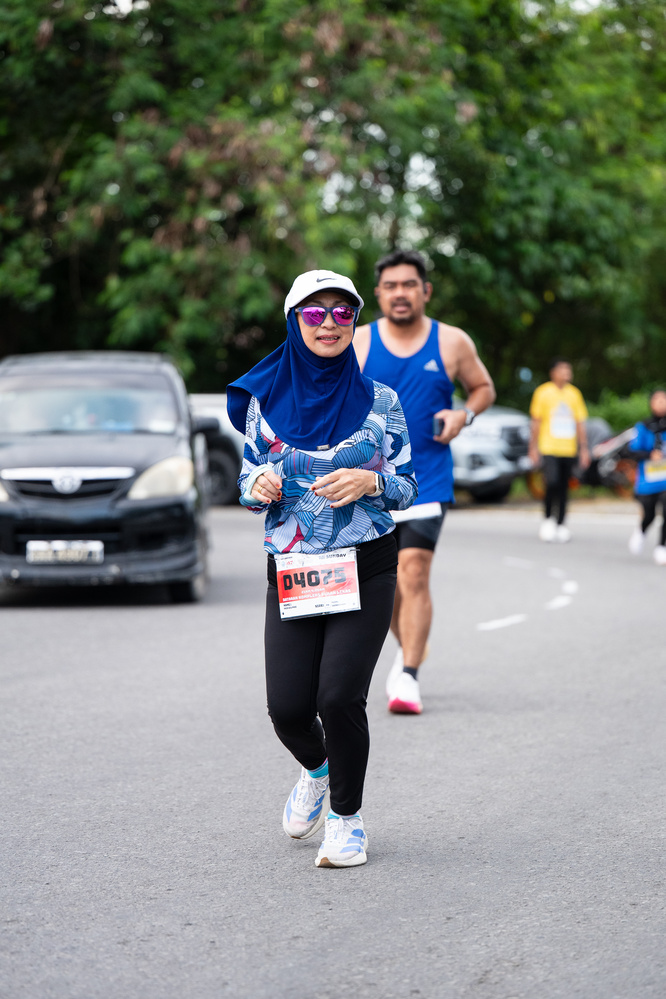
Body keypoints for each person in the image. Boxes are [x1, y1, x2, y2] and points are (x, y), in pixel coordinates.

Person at [227, 269, 417, 869]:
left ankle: (346, 820)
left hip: (366, 564)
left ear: (354, 322)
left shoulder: (381, 401)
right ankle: (318, 769)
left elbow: (408, 485)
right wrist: (257, 485)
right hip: (293, 568)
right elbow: (245, 480)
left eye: (342, 313)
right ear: (294, 322)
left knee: (338, 697)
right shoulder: (264, 401)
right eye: (315, 313)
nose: (329, 324)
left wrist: (371, 482)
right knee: (287, 709)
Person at [354, 249, 495, 715]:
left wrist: (463, 414)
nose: (400, 293)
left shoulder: (452, 341)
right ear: (378, 294)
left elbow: (483, 388)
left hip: (427, 478)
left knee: (413, 570)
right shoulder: (357, 342)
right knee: (384, 586)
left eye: (409, 284)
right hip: (369, 484)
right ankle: (411, 645)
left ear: (425, 291)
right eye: (391, 286)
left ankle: (409, 677)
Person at [528, 358, 589, 543]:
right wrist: (532, 447)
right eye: (562, 370)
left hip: (568, 448)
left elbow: (580, 423)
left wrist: (584, 448)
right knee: (551, 482)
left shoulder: (574, 394)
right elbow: (536, 421)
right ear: (553, 372)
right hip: (549, 446)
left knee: (564, 487)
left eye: (568, 370)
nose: (566, 373)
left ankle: (561, 523)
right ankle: (548, 519)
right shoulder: (543, 392)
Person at [627, 388, 666, 565]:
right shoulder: (643, 426)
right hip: (648, 479)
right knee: (649, 514)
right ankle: (641, 531)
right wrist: (650, 455)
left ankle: (662, 546)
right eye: (658, 400)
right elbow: (632, 451)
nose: (662, 403)